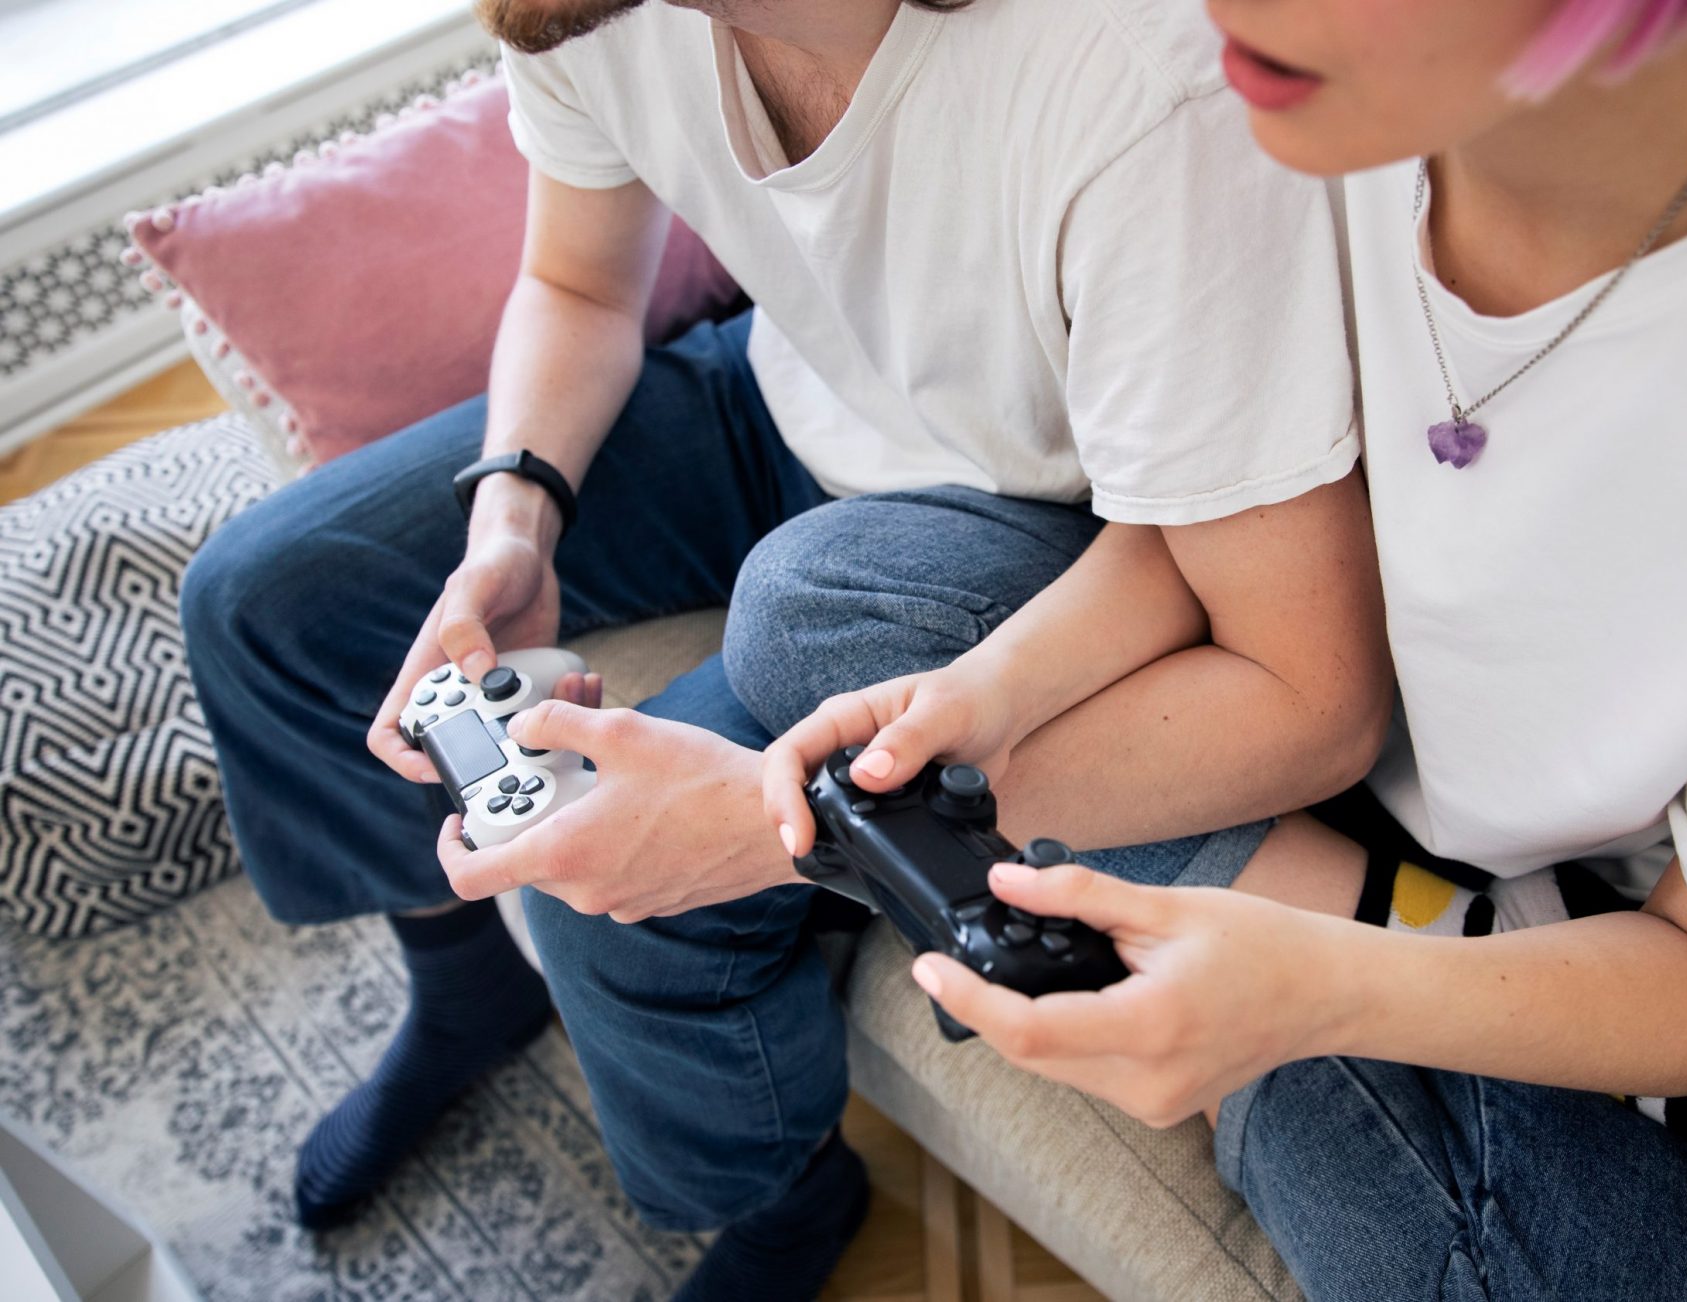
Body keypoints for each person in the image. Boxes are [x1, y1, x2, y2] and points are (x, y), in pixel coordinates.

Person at [758, 0, 1687, 1295]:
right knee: (819, 607)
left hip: (1626, 909)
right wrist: (994, 694)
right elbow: (1213, 515)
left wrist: (1316, 989)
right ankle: (1304, 956)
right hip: (1289, 692)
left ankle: (1289, 983)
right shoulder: (1280, 83)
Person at [177, 0, 1392, 1294]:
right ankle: (465, 984)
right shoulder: (579, 12)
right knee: (265, 599)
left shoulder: (1129, 82)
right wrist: (511, 528)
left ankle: (783, 1193)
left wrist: (764, 827)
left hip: (1031, 524)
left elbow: (1312, 695)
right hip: (783, 392)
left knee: (605, 900)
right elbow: (577, 282)